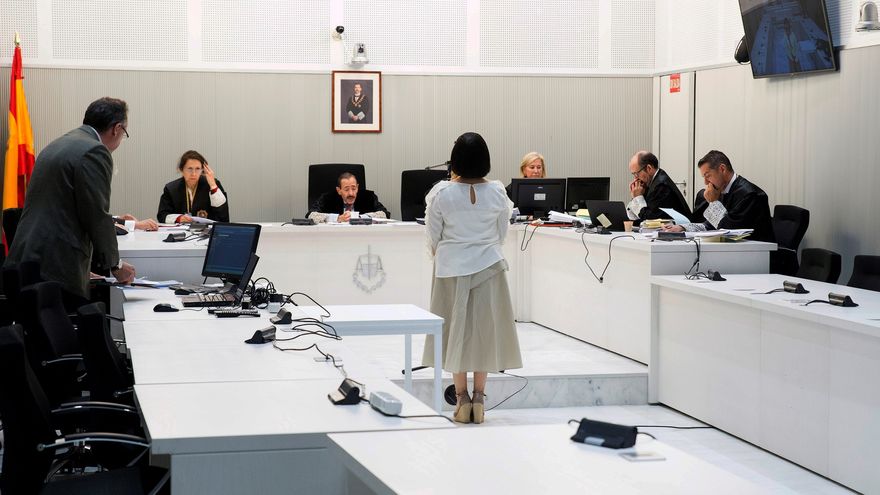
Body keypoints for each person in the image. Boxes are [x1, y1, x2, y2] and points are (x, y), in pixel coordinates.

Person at [422, 132, 522, 424]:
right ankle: (479, 398)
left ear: (455, 160)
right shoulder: (498, 192)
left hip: (451, 268)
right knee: (484, 333)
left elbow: (433, 235)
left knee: (455, 332)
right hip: (489, 267)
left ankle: (461, 398)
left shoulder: (441, 193)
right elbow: (501, 233)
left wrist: (446, 252)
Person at [4, 97, 136, 307]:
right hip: (54, 270)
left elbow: (64, 209)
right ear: (116, 128)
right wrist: (116, 265)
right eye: (124, 133)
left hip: (26, 260)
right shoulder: (95, 151)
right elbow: (96, 215)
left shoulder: (59, 143)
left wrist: (82, 268)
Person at [663, 150, 775, 242]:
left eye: (708, 176)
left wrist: (713, 203)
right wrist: (682, 228)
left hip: (756, 253)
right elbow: (710, 225)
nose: (706, 182)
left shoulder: (749, 194)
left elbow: (728, 231)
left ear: (722, 169)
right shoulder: (721, 190)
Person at [157, 150, 229, 223]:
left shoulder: (212, 184)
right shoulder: (171, 188)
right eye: (190, 169)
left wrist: (213, 186)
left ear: (202, 170)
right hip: (181, 229)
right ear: (181, 170)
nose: (193, 174)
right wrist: (178, 218)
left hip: (207, 229)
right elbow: (162, 215)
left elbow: (223, 216)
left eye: (197, 169)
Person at [625, 151, 691, 222]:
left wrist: (637, 197)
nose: (635, 178)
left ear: (649, 168)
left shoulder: (661, 186)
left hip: (681, 227)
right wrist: (635, 197)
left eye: (636, 174)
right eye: (633, 174)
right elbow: (633, 217)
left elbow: (649, 220)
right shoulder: (651, 183)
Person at [307, 172, 389, 223]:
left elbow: (385, 214)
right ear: (339, 190)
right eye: (346, 189)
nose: (351, 193)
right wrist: (337, 218)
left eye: (354, 188)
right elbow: (311, 215)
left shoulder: (368, 196)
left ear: (357, 187)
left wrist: (360, 218)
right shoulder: (327, 198)